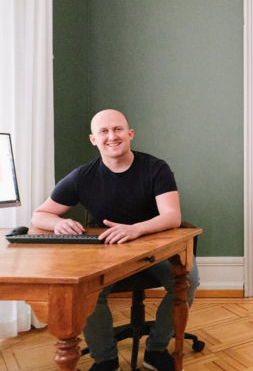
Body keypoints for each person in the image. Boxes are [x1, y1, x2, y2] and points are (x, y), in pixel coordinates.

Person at [32, 109, 199, 371]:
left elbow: (172, 216)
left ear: (130, 134)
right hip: (109, 252)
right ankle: (106, 359)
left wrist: (135, 229)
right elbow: (39, 215)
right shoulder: (82, 176)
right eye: (104, 131)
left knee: (189, 281)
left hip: (156, 246)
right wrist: (58, 223)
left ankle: (156, 349)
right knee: (84, 290)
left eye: (118, 129)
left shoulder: (156, 168)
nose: (112, 136)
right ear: (93, 139)